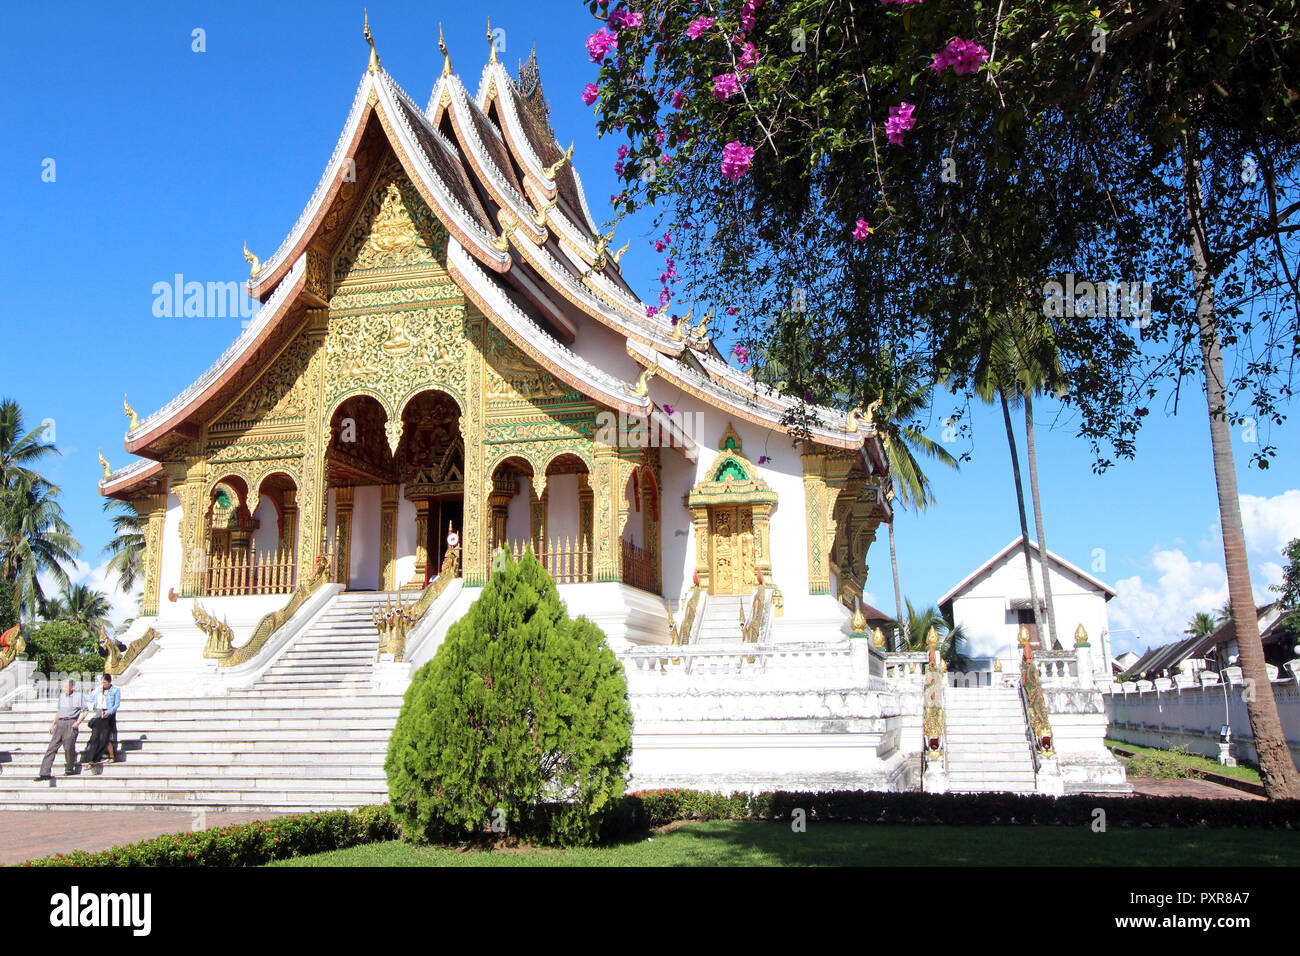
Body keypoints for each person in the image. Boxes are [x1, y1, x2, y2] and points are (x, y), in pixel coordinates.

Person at [35, 679, 87, 780]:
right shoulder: (62, 696)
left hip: (71, 722)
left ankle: (69, 768)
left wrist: (78, 722)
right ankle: (44, 773)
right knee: (51, 748)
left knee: (68, 748)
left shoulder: (78, 696)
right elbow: (59, 711)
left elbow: (85, 711)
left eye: (66, 687)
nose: (64, 689)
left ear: (72, 687)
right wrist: (53, 724)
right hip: (60, 723)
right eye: (63, 687)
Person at [80, 673, 121, 769]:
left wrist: (109, 711)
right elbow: (92, 698)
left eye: (105, 682)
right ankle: (92, 760)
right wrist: (81, 695)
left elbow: (116, 704)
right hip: (99, 713)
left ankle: (103, 757)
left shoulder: (115, 690)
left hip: (109, 714)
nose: (104, 684)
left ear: (109, 682)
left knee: (105, 738)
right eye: (103, 682)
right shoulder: (99, 690)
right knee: (95, 737)